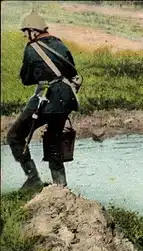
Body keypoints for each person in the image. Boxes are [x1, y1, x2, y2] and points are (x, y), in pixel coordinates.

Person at [7, 10, 80, 189]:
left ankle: (33, 179)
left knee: (14, 136)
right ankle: (60, 187)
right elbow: (72, 72)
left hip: (45, 98)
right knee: (54, 139)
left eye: (25, 30)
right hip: (66, 99)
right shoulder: (60, 44)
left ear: (34, 31)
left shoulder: (32, 48)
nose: (24, 35)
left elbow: (26, 79)